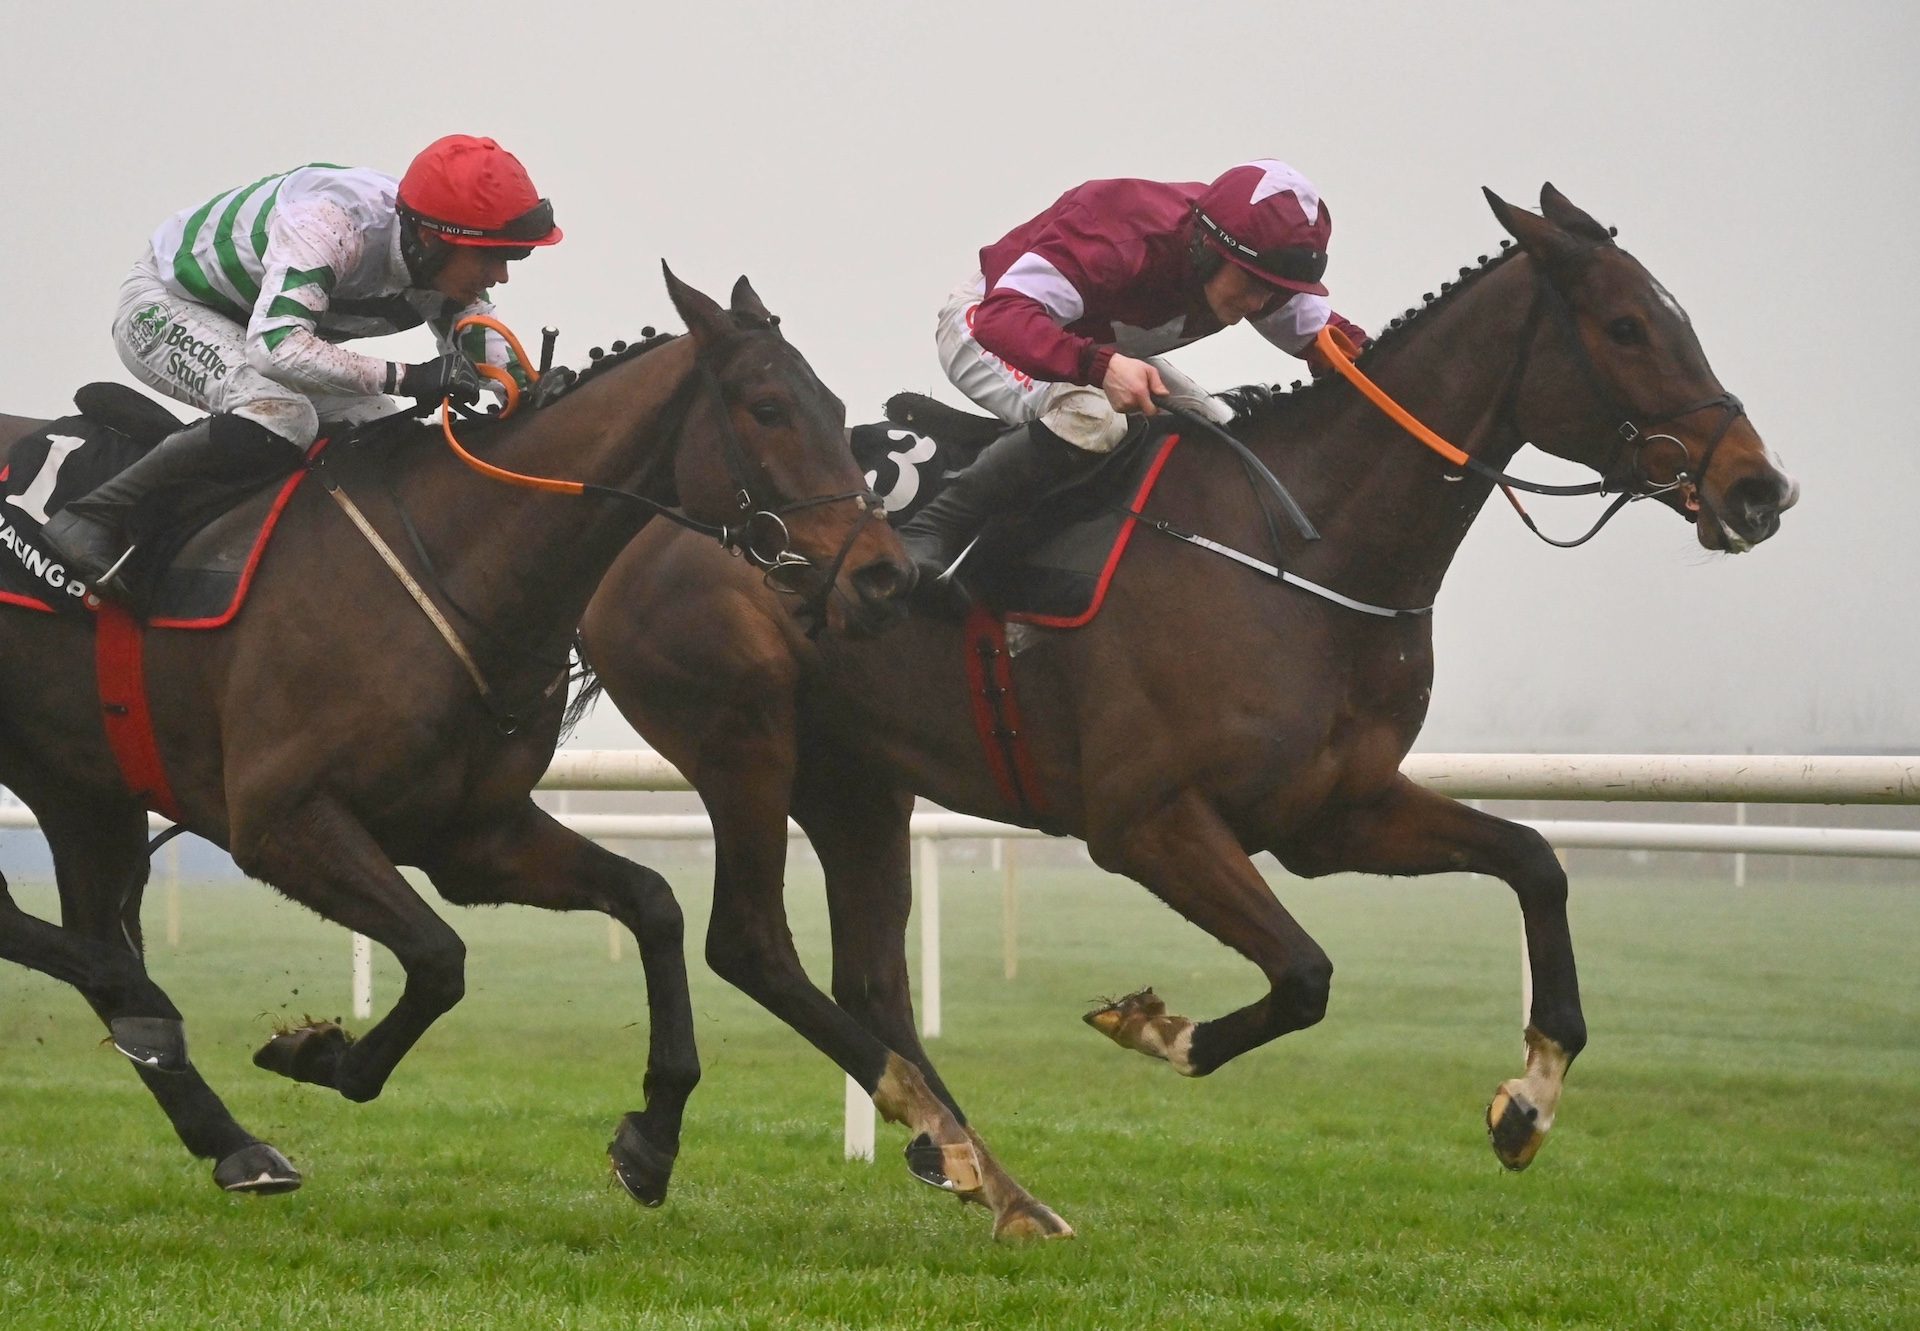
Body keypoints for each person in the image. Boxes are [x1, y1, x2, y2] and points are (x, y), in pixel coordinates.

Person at [43, 134, 562, 598]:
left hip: (268, 331)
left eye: (512, 258)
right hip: (167, 307)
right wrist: (411, 377)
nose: (500, 276)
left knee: (392, 440)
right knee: (283, 416)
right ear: (431, 238)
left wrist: (534, 390)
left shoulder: (437, 254)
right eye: (491, 257)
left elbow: (484, 345)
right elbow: (278, 349)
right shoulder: (330, 225)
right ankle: (91, 515)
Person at [898, 158, 1369, 587]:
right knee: (1094, 417)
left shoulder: (1255, 262)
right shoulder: (1118, 231)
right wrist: (1097, 367)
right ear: (1207, 247)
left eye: (1275, 292)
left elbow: (1346, 352)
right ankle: (932, 532)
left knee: (1223, 428)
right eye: (1251, 285)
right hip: (990, 321)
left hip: (1093, 346)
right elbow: (1005, 318)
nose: (1259, 306)